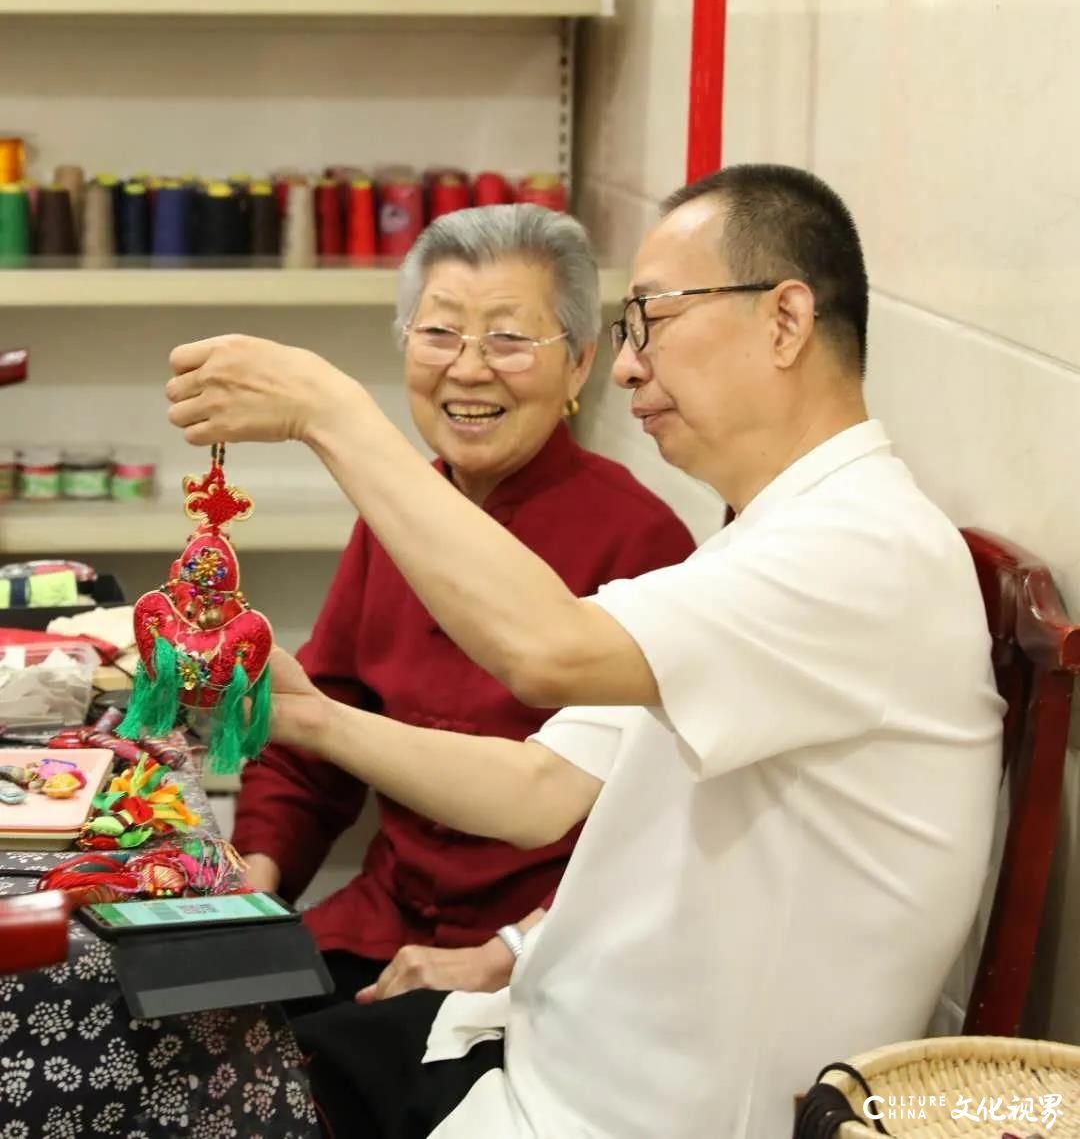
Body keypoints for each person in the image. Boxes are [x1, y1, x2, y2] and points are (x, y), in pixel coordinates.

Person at [165, 165, 1004, 1139]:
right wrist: (306, 715)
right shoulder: (766, 543)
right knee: (157, 1032)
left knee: (132, 1069)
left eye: (651, 319)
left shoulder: (862, 552)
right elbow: (536, 786)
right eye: (440, 333)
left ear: (785, 321)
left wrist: (328, 410)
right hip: (542, 1043)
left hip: (622, 1111)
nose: (628, 366)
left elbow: (545, 651)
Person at [230, 204, 695, 1008]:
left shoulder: (644, 544)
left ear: (581, 365)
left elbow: (659, 837)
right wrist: (255, 874)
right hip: (379, 922)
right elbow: (322, 720)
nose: (469, 370)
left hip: (536, 966)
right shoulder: (399, 517)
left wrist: (513, 954)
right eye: (440, 334)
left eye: (510, 340)